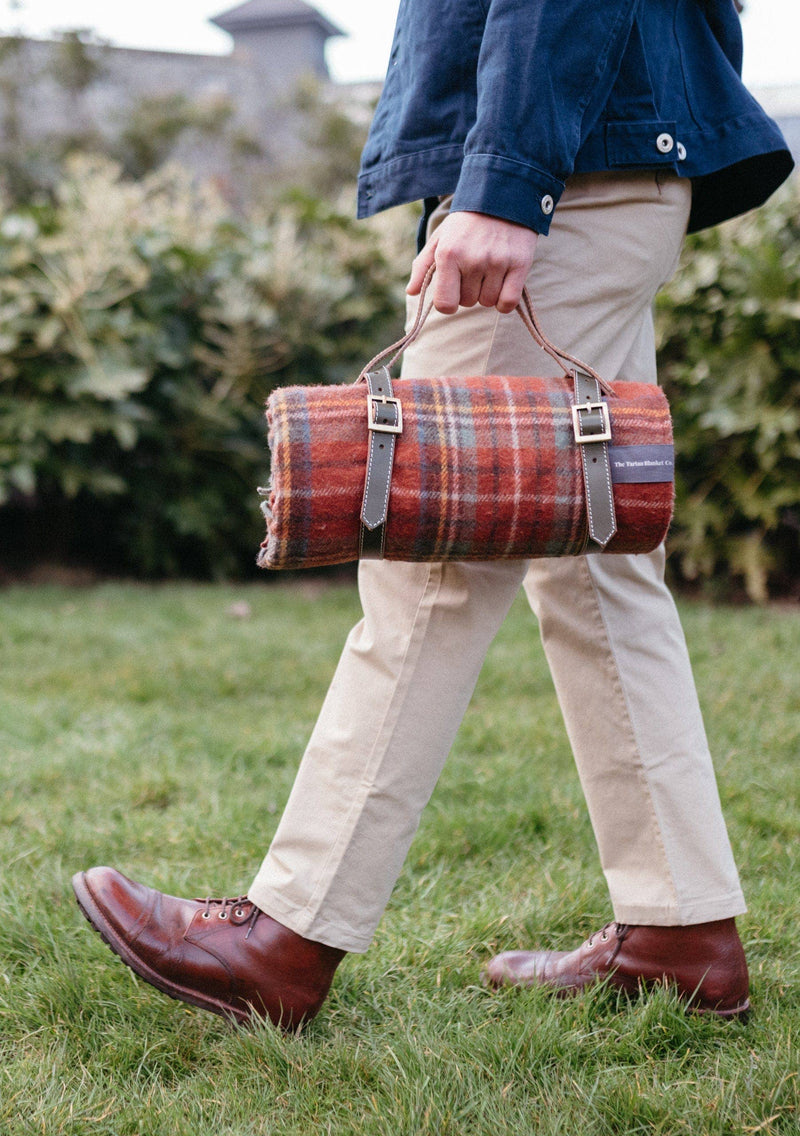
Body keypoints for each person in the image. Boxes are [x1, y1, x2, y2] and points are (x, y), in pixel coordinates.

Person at [73, 0, 793, 1028]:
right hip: (610, 156)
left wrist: (504, 182)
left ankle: (286, 933)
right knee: (596, 558)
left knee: (431, 555)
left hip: (568, 168)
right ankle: (681, 930)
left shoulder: (532, 177)